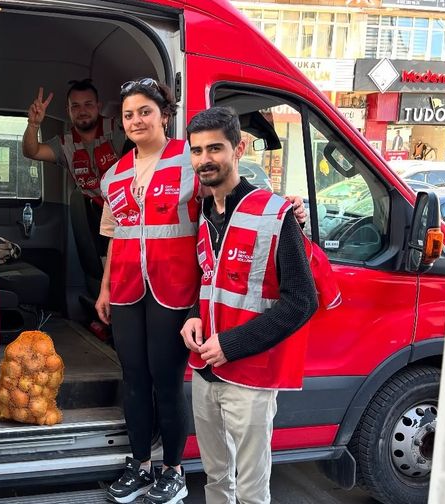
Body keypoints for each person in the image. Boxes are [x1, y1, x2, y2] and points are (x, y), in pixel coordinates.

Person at [180, 106, 322, 504]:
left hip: (251, 377)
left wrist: (231, 344)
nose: (204, 159)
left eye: (215, 149)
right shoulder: (204, 212)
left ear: (239, 149)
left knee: (252, 489)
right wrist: (193, 318)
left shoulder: (276, 213)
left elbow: (302, 301)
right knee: (215, 479)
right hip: (206, 370)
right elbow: (209, 282)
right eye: (197, 151)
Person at [95, 78, 196, 504]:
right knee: (133, 380)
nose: (136, 120)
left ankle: (173, 470)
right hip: (125, 290)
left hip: (174, 289)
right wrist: (103, 290)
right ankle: (139, 465)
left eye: (145, 111)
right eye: (129, 114)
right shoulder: (114, 175)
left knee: (167, 381)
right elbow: (114, 236)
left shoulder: (191, 160)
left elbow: (225, 206)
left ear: (164, 115)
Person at [23, 79, 127, 207]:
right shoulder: (65, 144)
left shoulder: (117, 129)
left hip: (130, 209)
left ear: (98, 107)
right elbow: (32, 152)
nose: (82, 111)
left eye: (88, 104)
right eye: (76, 106)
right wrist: (33, 124)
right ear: (68, 111)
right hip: (97, 214)